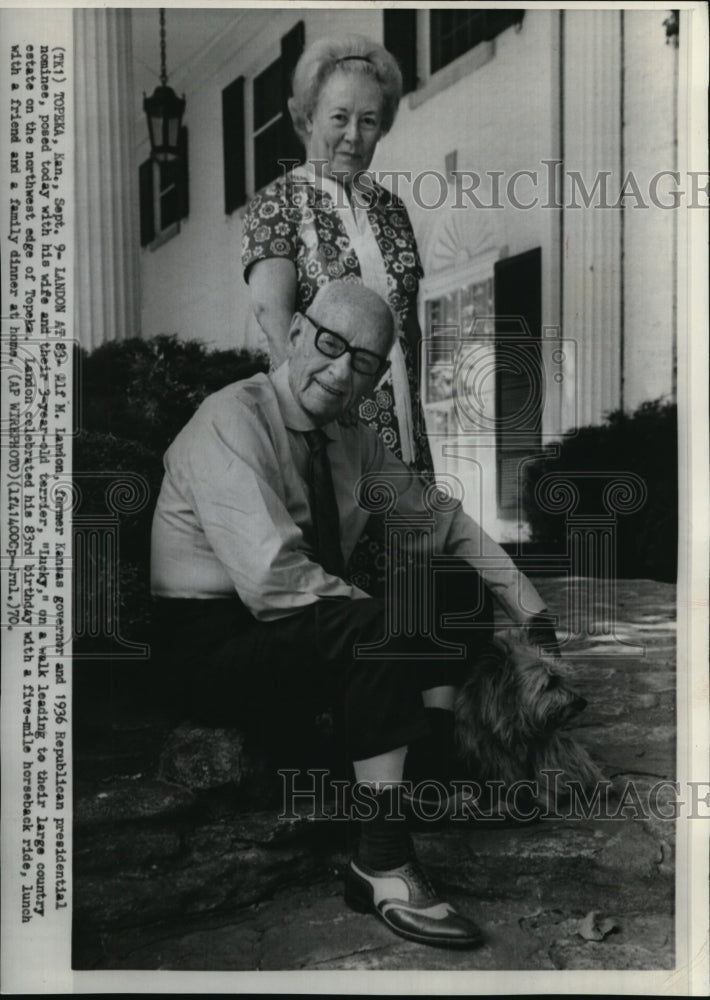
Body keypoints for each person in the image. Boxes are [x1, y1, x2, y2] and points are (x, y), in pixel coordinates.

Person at [151, 281, 559, 949]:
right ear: (292, 336)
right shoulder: (229, 419)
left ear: (374, 378)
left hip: (299, 630)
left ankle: (426, 769)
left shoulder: (351, 440)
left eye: (364, 362)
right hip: (214, 646)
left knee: (448, 584)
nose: (341, 371)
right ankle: (383, 861)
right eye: (330, 344)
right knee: (380, 629)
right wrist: (394, 628)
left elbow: (441, 521)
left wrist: (530, 610)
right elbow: (273, 582)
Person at [241, 34, 432, 595]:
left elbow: (408, 332)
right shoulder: (278, 202)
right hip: (326, 437)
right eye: (340, 117)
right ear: (305, 117)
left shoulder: (392, 212)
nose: (354, 135)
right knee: (343, 594)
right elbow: (274, 322)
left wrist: (413, 433)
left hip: (403, 437)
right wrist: (318, 431)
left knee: (413, 592)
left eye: (369, 121)